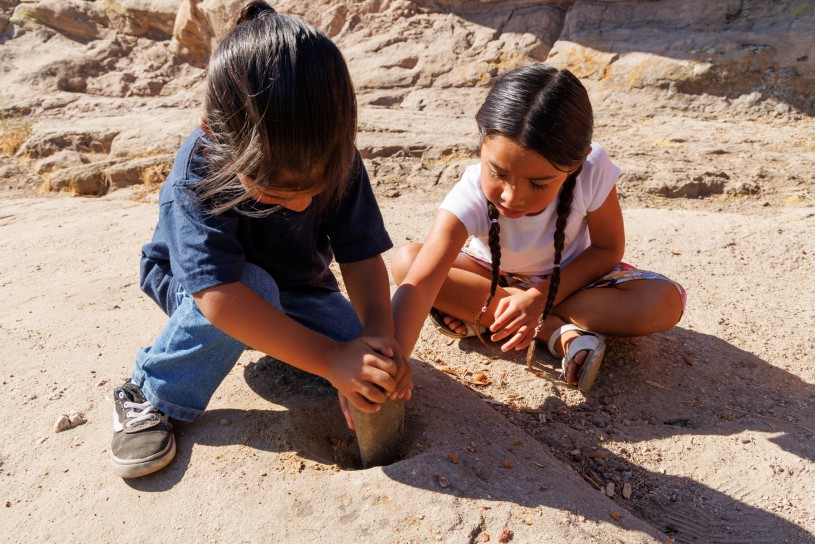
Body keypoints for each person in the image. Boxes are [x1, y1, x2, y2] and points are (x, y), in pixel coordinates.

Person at [110, 1, 412, 479]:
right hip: (207, 290)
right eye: (275, 191)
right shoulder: (200, 167)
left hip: (299, 284)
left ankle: (283, 340)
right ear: (215, 133)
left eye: (311, 191)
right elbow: (218, 297)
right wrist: (331, 359)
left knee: (358, 345)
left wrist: (377, 334)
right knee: (255, 289)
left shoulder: (338, 156)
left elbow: (360, 258)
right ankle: (149, 392)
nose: (297, 205)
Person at [391, 64, 685, 394]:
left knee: (664, 302)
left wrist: (539, 300)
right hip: (490, 275)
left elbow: (607, 250)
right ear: (481, 144)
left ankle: (487, 316)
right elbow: (423, 277)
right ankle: (556, 334)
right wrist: (391, 364)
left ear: (576, 164)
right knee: (407, 262)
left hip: (572, 284)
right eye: (498, 174)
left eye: (538, 183)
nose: (512, 197)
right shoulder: (470, 193)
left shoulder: (593, 168)